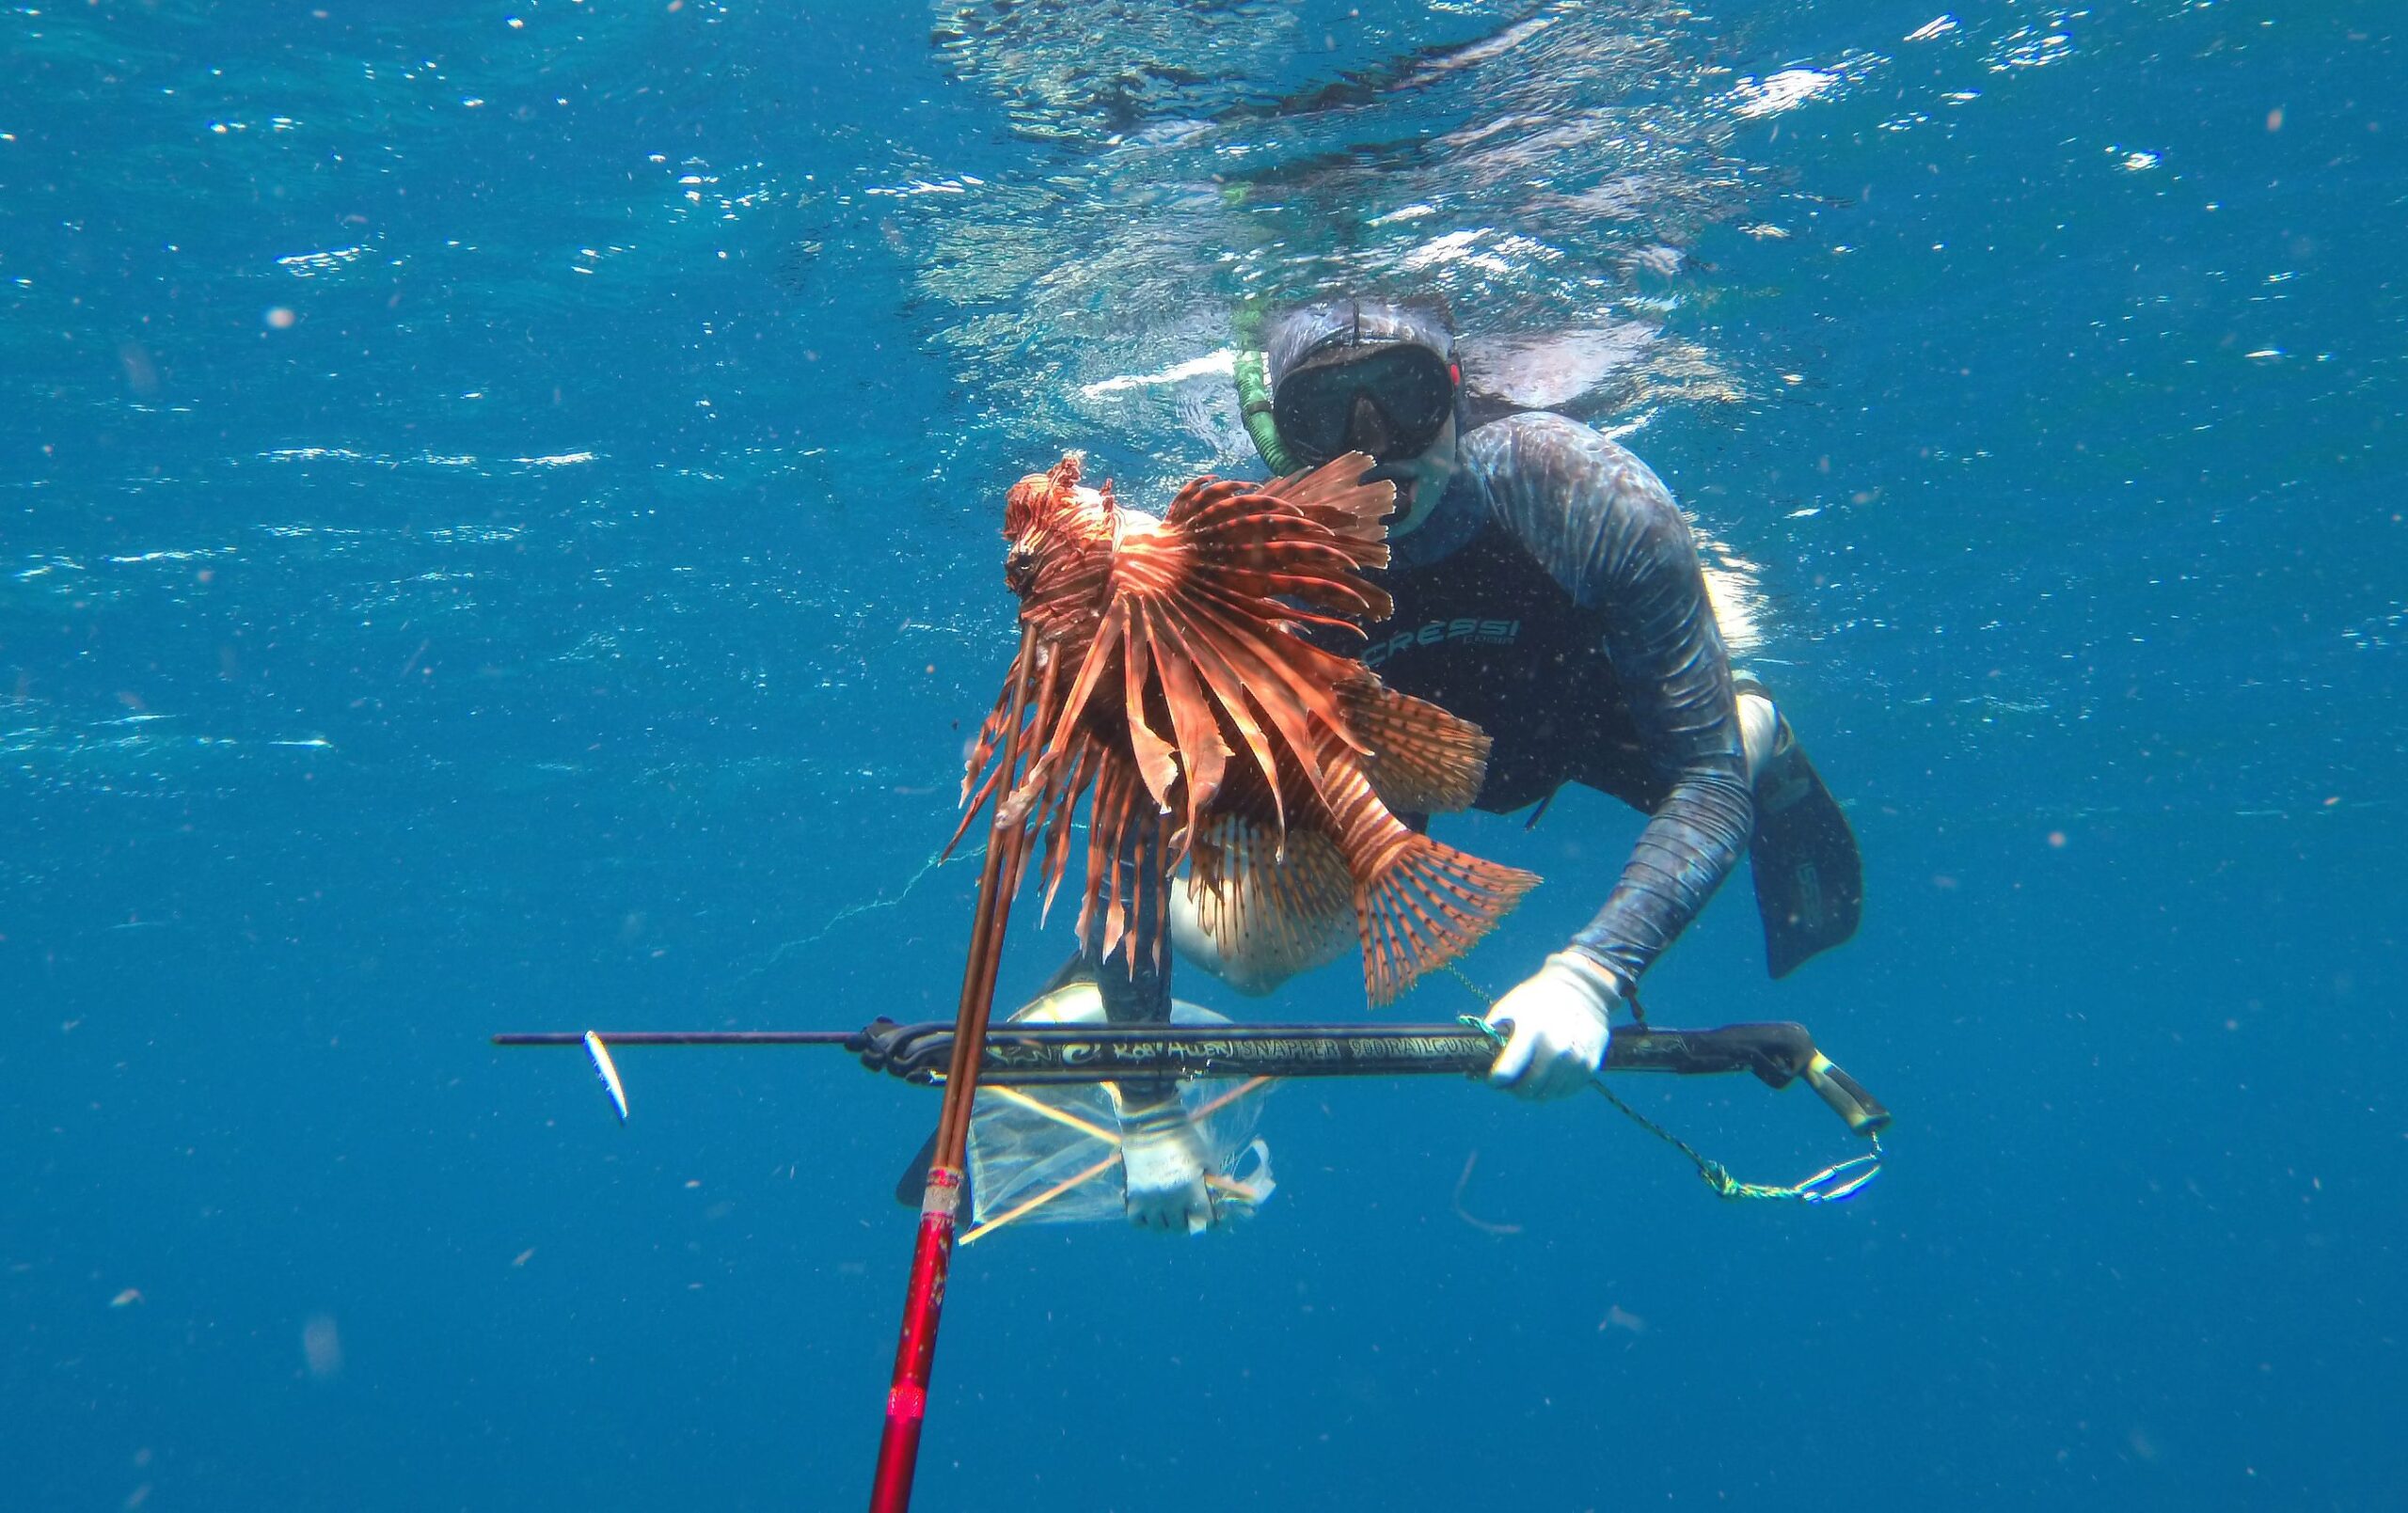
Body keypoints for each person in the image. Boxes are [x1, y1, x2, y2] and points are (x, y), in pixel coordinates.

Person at [1053, 294, 1862, 1233]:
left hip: (1580, 716)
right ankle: (1094, 965)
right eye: (1328, 414)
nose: (1375, 444)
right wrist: (1149, 1111)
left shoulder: (1580, 491)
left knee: (1728, 742)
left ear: (1455, 394)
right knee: (1255, 958)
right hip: (1387, 753)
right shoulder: (1218, 577)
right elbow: (1132, 834)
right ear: (1276, 432)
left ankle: (1760, 717)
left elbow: (1704, 779)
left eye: (1401, 396)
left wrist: (1592, 975)